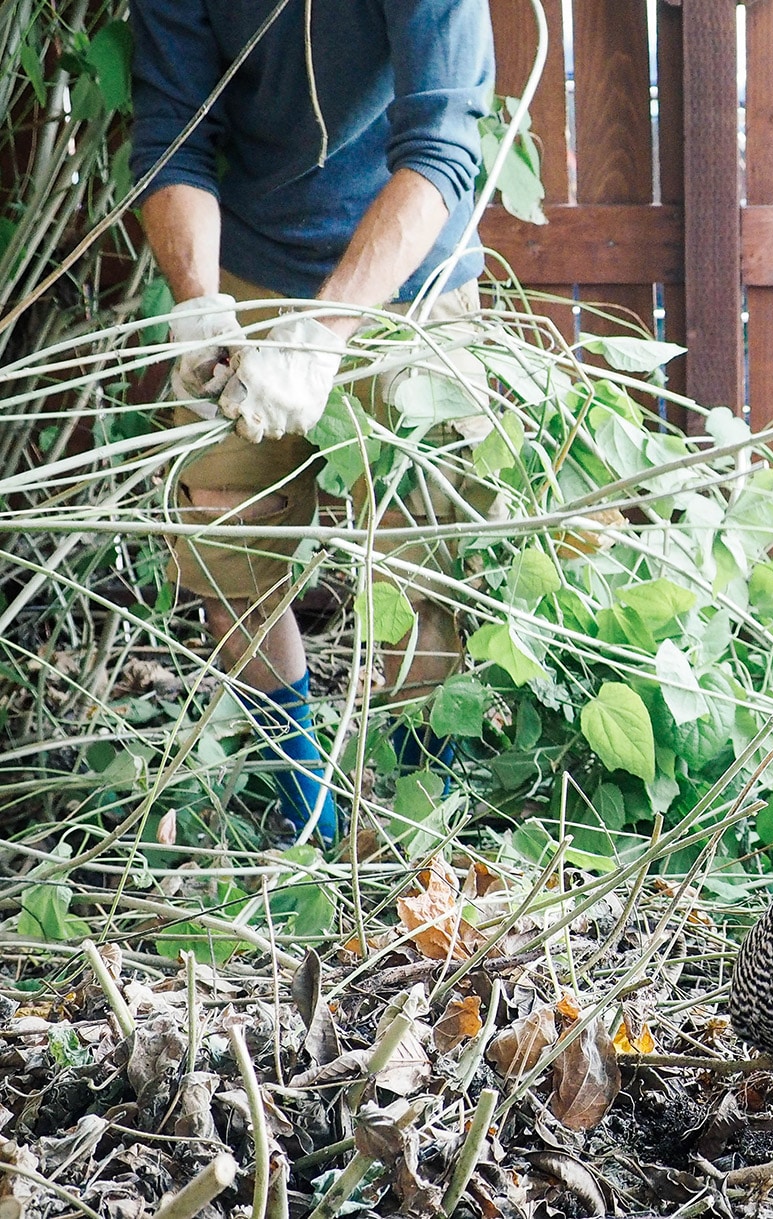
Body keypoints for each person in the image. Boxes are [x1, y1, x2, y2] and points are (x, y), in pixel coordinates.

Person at [131, 0, 496, 839]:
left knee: (422, 569)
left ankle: (419, 841)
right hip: (251, 267)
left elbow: (442, 146)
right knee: (224, 545)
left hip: (410, 285)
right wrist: (199, 307)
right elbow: (171, 137)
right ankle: (309, 828)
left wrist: (323, 335)